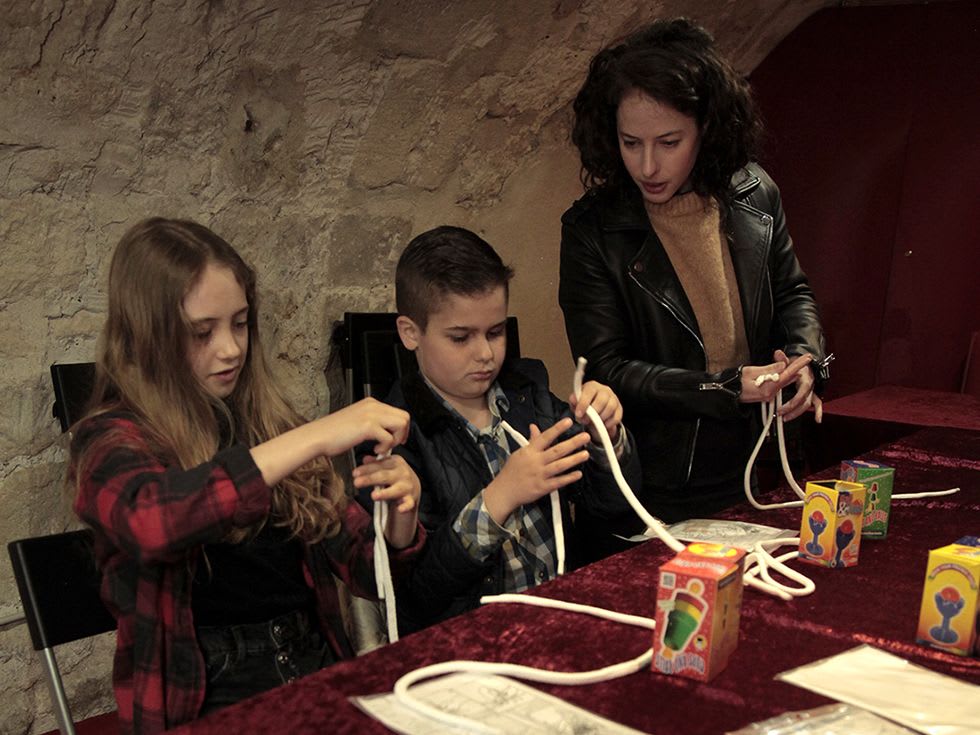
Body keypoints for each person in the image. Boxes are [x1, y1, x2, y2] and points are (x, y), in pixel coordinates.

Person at [68, 218, 425, 734]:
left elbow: (370, 572)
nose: (231, 348)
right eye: (202, 332)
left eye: (240, 323)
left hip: (313, 662)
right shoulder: (109, 438)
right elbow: (154, 524)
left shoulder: (267, 420)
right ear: (149, 336)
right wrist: (315, 437)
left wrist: (399, 520)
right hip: (208, 694)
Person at [559, 18, 828, 528]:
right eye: (630, 142)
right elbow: (609, 369)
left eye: (668, 142)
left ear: (706, 129)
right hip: (659, 482)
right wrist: (726, 387)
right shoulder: (592, 230)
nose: (647, 166)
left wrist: (807, 360)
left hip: (765, 460)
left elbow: (794, 291)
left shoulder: (755, 192)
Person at [356, 226, 641, 633]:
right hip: (475, 645)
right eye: (460, 338)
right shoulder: (392, 436)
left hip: (564, 619)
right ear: (410, 333)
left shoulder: (530, 394)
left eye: (496, 331)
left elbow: (614, 505)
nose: (486, 354)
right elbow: (418, 594)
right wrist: (499, 497)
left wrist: (606, 437)